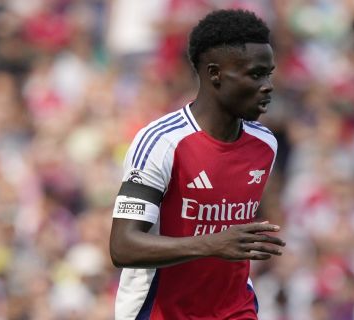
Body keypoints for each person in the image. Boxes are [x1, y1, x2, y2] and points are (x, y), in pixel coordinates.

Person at [109, 9, 285, 319]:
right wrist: (212, 244)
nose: (268, 85)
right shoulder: (161, 142)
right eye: (255, 74)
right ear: (215, 74)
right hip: (160, 311)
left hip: (235, 310)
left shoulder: (265, 144)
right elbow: (123, 246)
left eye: (269, 73)